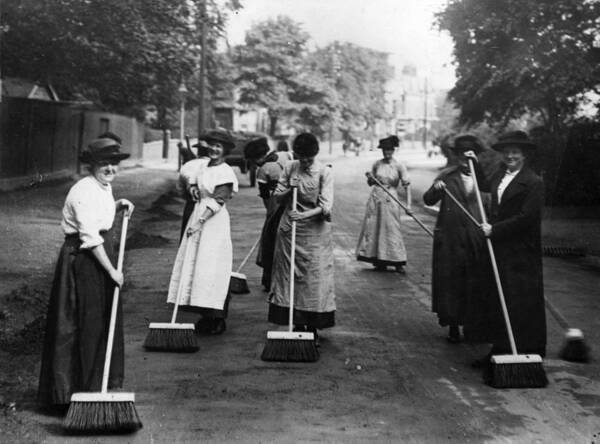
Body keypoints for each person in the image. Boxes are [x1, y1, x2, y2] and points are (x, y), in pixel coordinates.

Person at [38, 137, 134, 411]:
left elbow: (99, 218)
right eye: (104, 163)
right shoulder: (82, 190)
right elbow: (90, 237)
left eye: (114, 163)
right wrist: (113, 271)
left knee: (101, 321)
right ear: (92, 164)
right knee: (80, 324)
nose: (110, 168)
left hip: (98, 256)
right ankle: (71, 393)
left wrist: (118, 205)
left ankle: (95, 385)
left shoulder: (103, 187)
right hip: (82, 260)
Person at [478, 130, 546, 360]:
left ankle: (526, 352)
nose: (510, 156)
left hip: (521, 252)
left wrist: (495, 230)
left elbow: (527, 218)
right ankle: (499, 350)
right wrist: (473, 160)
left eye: (515, 152)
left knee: (519, 302)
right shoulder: (499, 176)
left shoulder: (534, 183)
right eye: (507, 152)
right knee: (498, 299)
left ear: (524, 154)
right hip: (499, 248)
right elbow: (484, 188)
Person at [166, 130, 239, 335]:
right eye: (212, 145)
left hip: (212, 220)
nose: (214, 149)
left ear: (225, 150)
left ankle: (218, 318)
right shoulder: (204, 166)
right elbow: (193, 182)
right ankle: (205, 315)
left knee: (213, 267)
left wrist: (199, 222)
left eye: (219, 146)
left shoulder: (225, 171)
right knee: (198, 266)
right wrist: (192, 190)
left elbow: (219, 200)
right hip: (198, 212)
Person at [268, 133, 335, 343]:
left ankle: (312, 326)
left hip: (315, 233)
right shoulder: (290, 167)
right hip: (290, 232)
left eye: (309, 158)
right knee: (289, 276)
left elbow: (326, 206)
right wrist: (290, 189)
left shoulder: (324, 172)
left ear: (315, 154)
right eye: (302, 157)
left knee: (313, 279)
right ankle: (295, 323)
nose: (305, 162)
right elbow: (277, 196)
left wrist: (304, 215)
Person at [422, 134, 487, 344]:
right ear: (456, 156)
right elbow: (428, 199)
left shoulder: (483, 178)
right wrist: (435, 189)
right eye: (460, 155)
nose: (464, 160)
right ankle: (452, 326)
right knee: (452, 282)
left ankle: (473, 325)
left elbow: (492, 200)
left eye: (469, 155)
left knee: (474, 281)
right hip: (450, 238)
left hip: (475, 238)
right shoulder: (448, 176)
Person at [244, 137, 293, 290]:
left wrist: (269, 216)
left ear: (256, 158)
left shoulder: (263, 170)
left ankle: (270, 280)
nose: (254, 163)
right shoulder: (285, 156)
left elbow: (265, 197)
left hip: (275, 207)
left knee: (270, 244)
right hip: (292, 205)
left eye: (253, 160)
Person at [356, 135, 410, 273]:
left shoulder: (399, 166)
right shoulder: (377, 164)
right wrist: (370, 178)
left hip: (391, 198)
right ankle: (379, 260)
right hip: (376, 197)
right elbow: (371, 183)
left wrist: (408, 206)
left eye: (390, 150)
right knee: (375, 227)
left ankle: (398, 262)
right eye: (385, 150)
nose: (387, 153)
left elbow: (406, 185)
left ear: (393, 150)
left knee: (392, 228)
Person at [179, 139, 210, 241]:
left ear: (198, 151)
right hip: (210, 207)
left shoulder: (187, 165)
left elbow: (180, 190)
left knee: (187, 240)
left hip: (191, 205)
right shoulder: (217, 167)